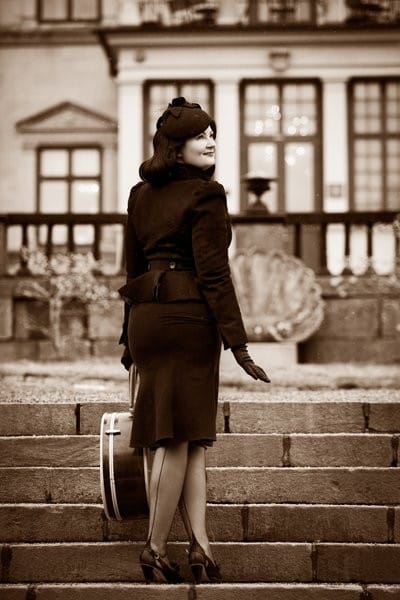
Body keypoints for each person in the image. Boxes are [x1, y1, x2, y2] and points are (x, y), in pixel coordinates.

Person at [118, 96, 270, 584]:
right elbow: (214, 274)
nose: (210, 141)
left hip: (147, 317)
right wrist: (238, 343)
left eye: (212, 134)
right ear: (175, 146)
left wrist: (128, 337)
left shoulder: (139, 195)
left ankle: (201, 546)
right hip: (187, 320)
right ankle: (155, 547)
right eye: (199, 135)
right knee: (177, 437)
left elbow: (133, 270)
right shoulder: (208, 195)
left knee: (191, 437)